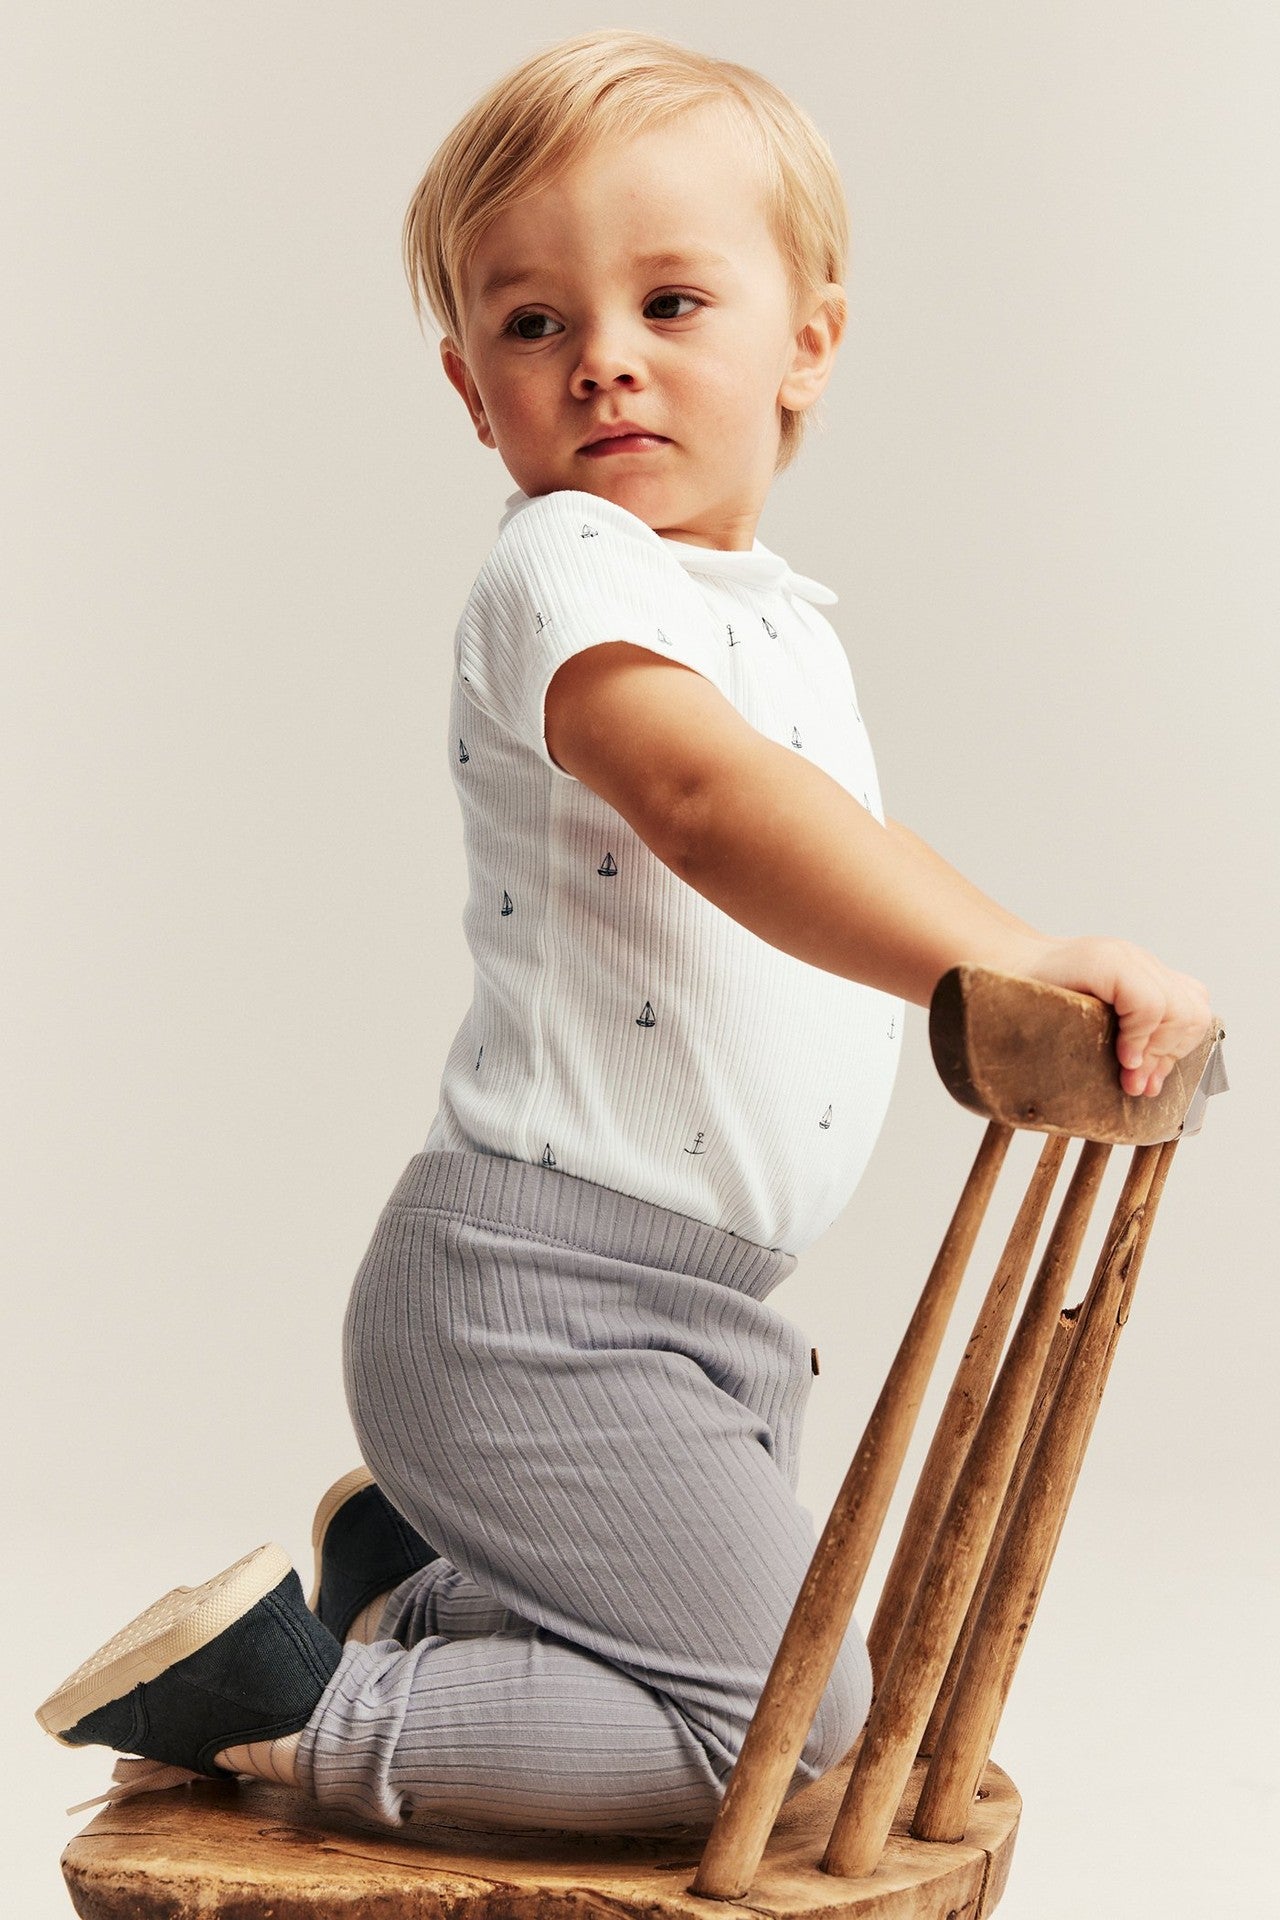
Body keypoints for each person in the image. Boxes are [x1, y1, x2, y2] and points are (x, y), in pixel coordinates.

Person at [36, 29, 1212, 1839]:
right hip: (533, 1306)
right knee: (781, 1729)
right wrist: (1015, 964)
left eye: (672, 301)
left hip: (703, 1316)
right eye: (533, 325)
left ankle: (419, 1587)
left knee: (777, 1676)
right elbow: (709, 804)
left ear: (808, 339)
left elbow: (832, 837)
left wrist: (1022, 959)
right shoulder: (566, 571)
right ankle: (287, 1697)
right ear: (468, 388)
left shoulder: (776, 628)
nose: (603, 357)